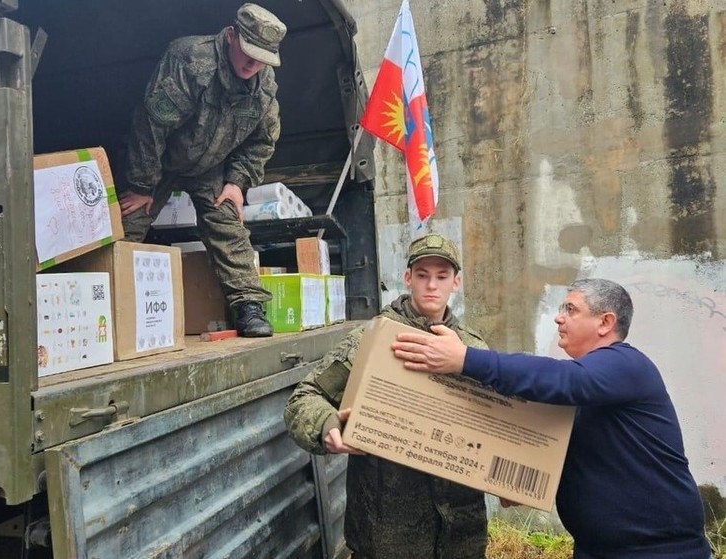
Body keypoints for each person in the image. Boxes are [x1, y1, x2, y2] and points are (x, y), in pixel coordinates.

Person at [392, 278, 712, 559]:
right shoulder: (584, 389)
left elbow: (557, 378)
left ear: (605, 322)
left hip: (659, 552)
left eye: (571, 310)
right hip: (596, 548)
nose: (558, 318)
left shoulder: (627, 365)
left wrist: (464, 358)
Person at [284, 234, 489, 558]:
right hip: (387, 537)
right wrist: (327, 425)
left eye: (442, 276)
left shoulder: (473, 349)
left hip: (460, 538)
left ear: (456, 281)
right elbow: (304, 398)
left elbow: (494, 427)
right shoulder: (374, 339)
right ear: (408, 278)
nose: (432, 286)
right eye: (422, 275)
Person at [117, 3, 286, 337]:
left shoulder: (263, 89)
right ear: (230, 36)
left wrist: (237, 182)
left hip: (209, 168)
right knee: (128, 220)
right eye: (249, 53)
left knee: (228, 222)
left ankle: (249, 306)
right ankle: (102, 296)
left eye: (263, 59)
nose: (253, 64)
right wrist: (142, 185)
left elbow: (263, 141)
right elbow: (150, 125)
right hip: (160, 160)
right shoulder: (191, 60)